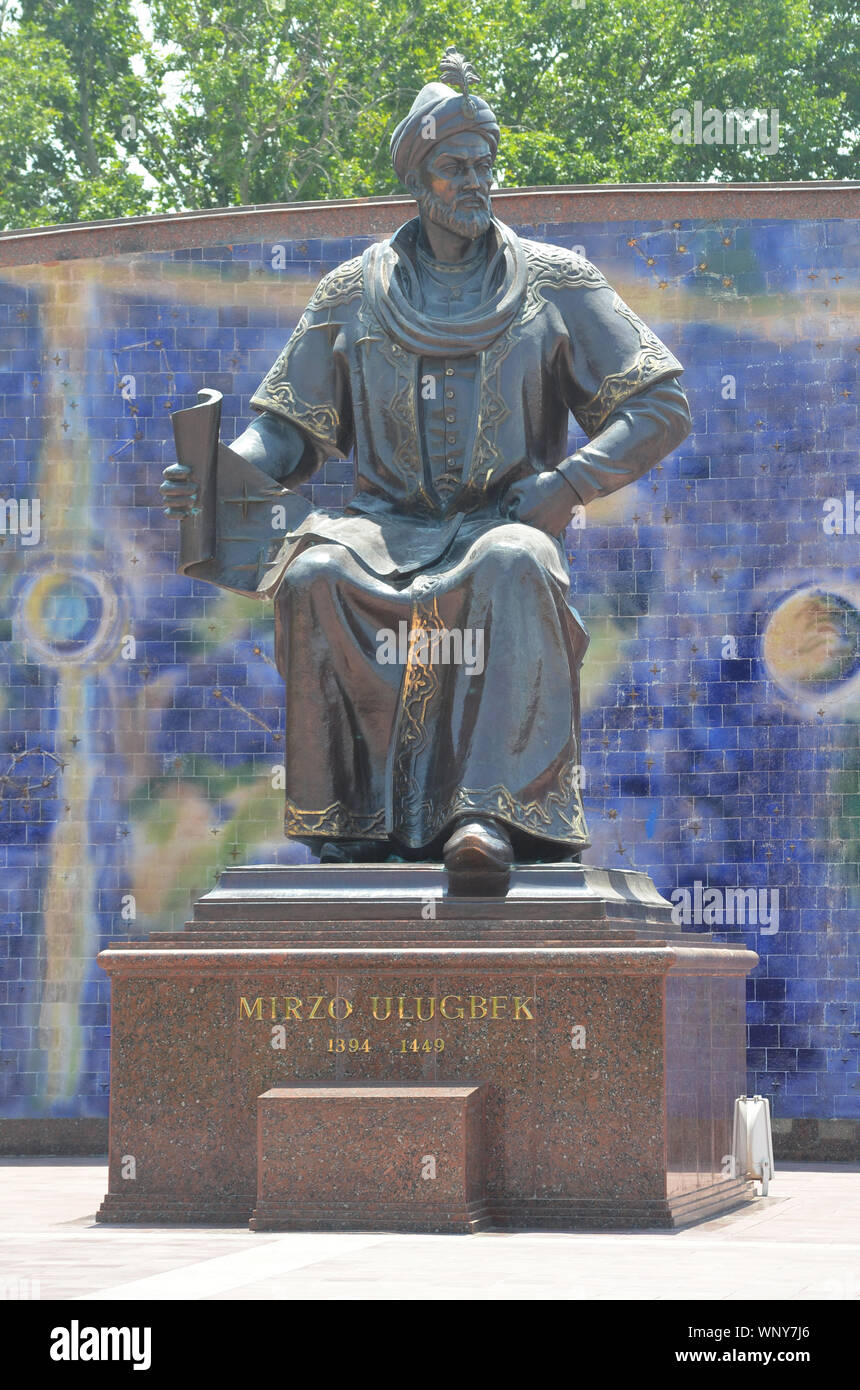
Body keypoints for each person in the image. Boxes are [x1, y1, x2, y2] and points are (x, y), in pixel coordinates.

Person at [162, 51, 692, 887]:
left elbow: (661, 407)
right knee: (315, 574)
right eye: (455, 168)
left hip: (502, 520)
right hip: (383, 525)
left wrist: (566, 487)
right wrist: (218, 473)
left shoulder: (557, 282)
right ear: (418, 178)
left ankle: (486, 818)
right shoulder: (351, 291)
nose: (476, 182)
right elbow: (289, 432)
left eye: (485, 167)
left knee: (514, 563)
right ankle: (351, 826)